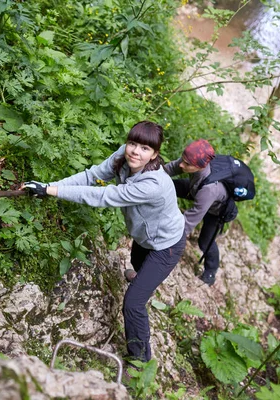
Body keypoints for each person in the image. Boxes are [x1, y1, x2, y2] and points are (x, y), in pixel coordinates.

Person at [23, 121, 186, 364]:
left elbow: (103, 196)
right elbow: (92, 176)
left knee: (133, 303)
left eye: (144, 148)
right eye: (132, 143)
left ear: (155, 154)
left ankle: (140, 360)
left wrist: (51, 192)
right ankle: (142, 281)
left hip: (167, 245)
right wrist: (49, 186)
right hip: (144, 238)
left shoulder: (153, 184)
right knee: (137, 266)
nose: (134, 151)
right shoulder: (124, 156)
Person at [163, 139, 224, 286]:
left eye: (186, 164)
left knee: (205, 241)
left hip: (216, 210)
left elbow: (189, 222)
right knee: (168, 185)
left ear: (200, 166)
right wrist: (151, 180)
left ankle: (211, 271)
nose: (182, 165)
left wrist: (167, 242)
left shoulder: (210, 189)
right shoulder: (191, 160)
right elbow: (169, 169)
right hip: (196, 189)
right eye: (182, 160)